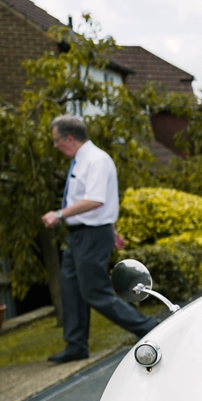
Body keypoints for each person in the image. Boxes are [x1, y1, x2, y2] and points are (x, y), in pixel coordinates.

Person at [41, 115, 158, 362]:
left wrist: (59, 214)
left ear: (69, 138)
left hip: (91, 235)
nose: (55, 146)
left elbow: (95, 199)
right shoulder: (82, 160)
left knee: (95, 291)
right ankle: (76, 345)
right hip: (81, 235)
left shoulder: (95, 160)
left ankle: (149, 327)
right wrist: (112, 230)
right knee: (70, 289)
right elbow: (98, 201)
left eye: (56, 140)